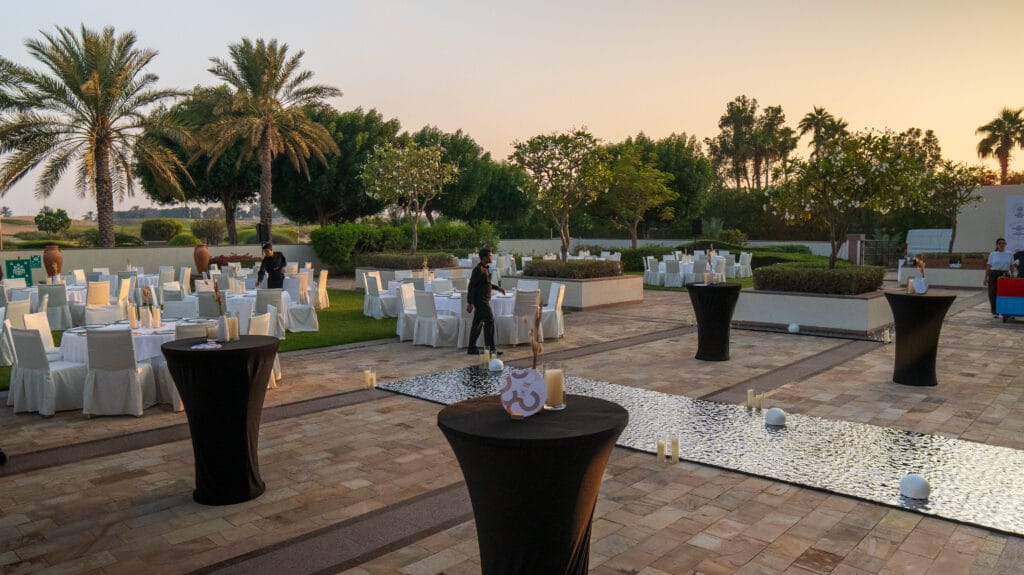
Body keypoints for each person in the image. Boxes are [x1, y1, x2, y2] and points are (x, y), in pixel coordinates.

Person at [466, 247, 505, 356]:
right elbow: (471, 286)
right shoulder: (478, 269)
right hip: (481, 301)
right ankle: (491, 350)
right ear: (484, 257)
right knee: (489, 321)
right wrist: (469, 302)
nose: (492, 257)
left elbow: (487, 284)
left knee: (477, 324)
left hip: (484, 299)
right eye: (490, 255)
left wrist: (498, 288)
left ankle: (472, 348)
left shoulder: (485, 269)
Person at [984, 237, 1014, 317]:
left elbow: (1011, 265)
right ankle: (995, 312)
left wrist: (1012, 275)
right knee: (992, 293)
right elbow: (988, 266)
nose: (1002, 245)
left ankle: (1005, 311)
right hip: (994, 274)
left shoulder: (1009, 253)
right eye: (1000, 243)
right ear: (997, 245)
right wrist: (985, 277)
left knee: (1006, 293)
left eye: (1004, 243)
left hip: (1005, 274)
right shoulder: (993, 254)